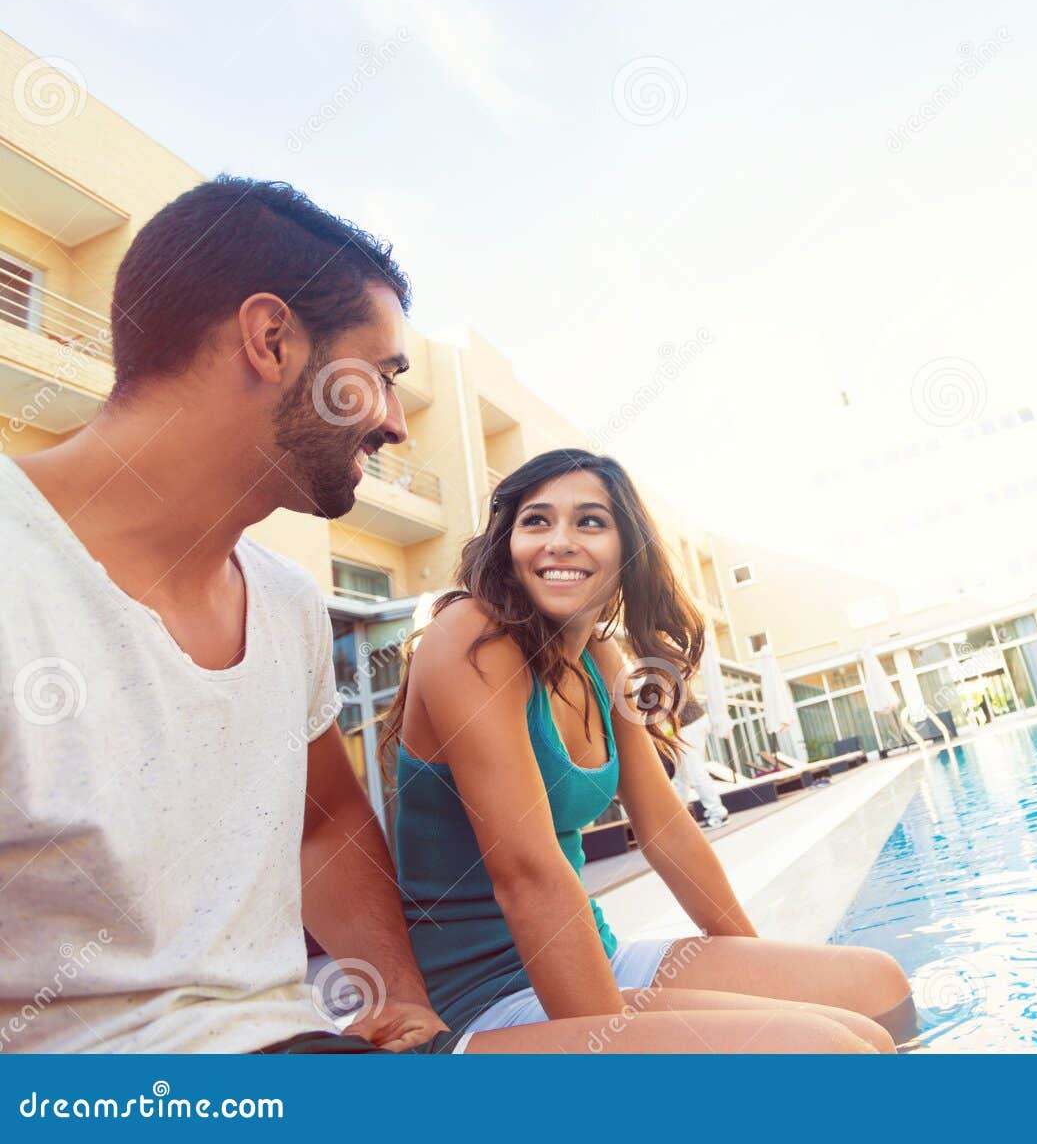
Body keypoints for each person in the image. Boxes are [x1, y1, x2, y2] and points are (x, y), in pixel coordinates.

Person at [0, 178, 869, 1056]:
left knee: (852, 1037)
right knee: (817, 1060)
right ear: (270, 341)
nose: (394, 425)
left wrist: (405, 1000)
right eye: (381, 376)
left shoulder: (286, 603)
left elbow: (326, 825)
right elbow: (527, 877)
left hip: (304, 1047)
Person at [386, 449, 917, 1050]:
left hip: (593, 956)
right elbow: (526, 876)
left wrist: (759, 972)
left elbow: (666, 830)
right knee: (832, 1051)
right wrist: (617, 1046)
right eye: (536, 521)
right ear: (507, 545)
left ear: (626, 549)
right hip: (484, 998)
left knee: (878, 985)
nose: (559, 541)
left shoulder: (601, 660)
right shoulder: (471, 637)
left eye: (590, 522)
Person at [672, 698, 730, 829]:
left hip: (687, 725)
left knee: (695, 772)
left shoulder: (655, 678)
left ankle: (718, 814)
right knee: (681, 775)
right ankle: (676, 820)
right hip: (693, 722)